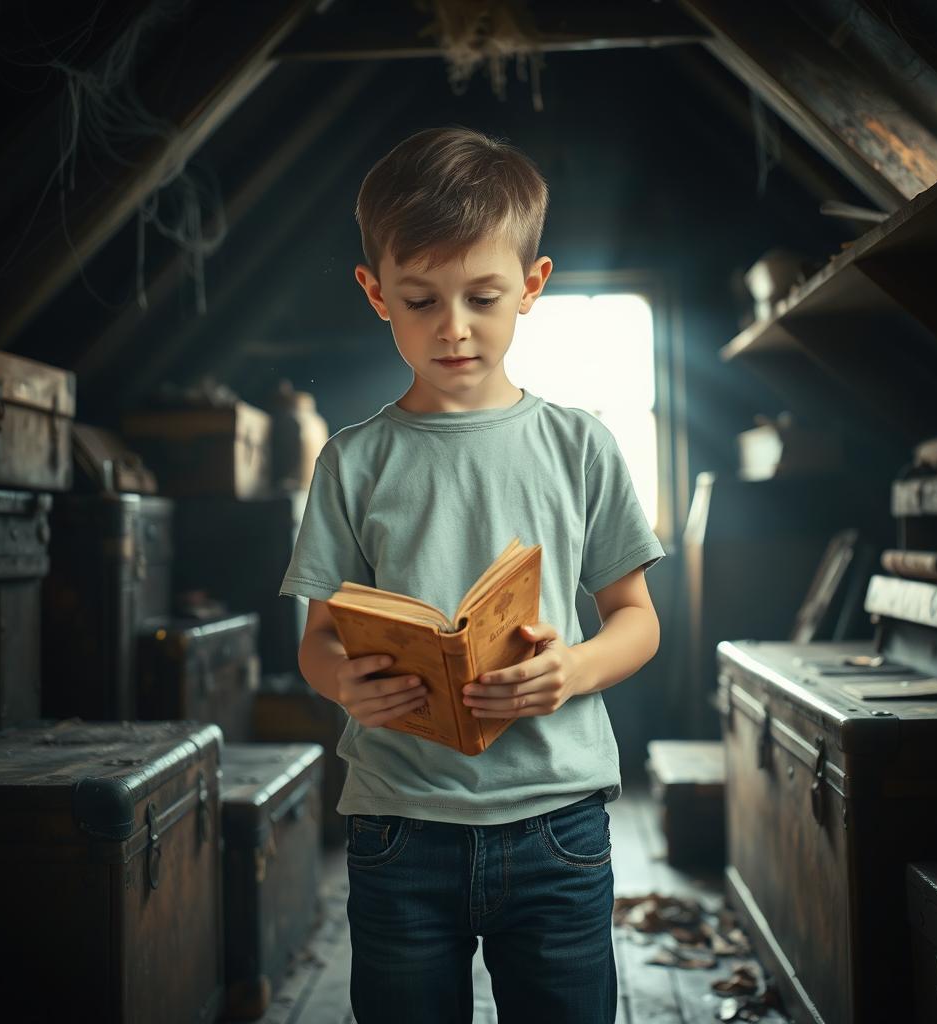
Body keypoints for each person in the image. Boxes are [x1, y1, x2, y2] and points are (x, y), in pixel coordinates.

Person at [279, 125, 663, 1024]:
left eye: (483, 297)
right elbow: (317, 641)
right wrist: (346, 684)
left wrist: (572, 670)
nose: (453, 327)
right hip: (398, 829)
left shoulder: (580, 446)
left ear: (532, 287)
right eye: (420, 300)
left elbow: (636, 617)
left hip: (557, 822)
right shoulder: (352, 462)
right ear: (376, 293)